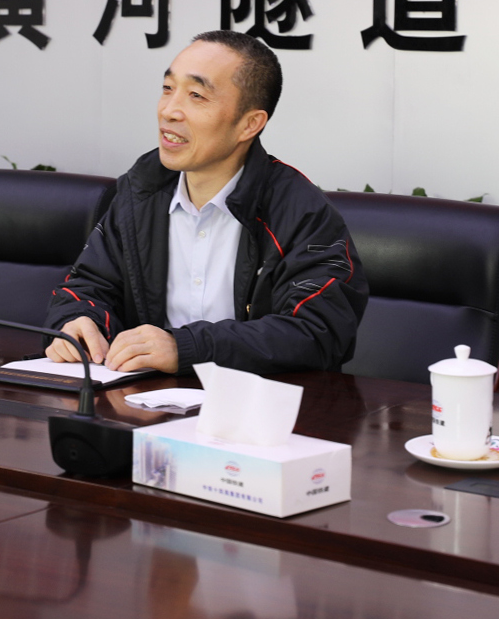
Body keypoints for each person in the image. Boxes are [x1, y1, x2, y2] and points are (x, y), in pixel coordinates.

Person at [45, 30, 366, 376]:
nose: (169, 110)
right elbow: (87, 286)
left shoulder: (300, 211)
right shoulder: (140, 192)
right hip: (145, 401)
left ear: (249, 124)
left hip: (258, 404)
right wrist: (79, 321)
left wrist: (187, 349)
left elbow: (318, 332)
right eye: (168, 88)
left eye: (196, 95)